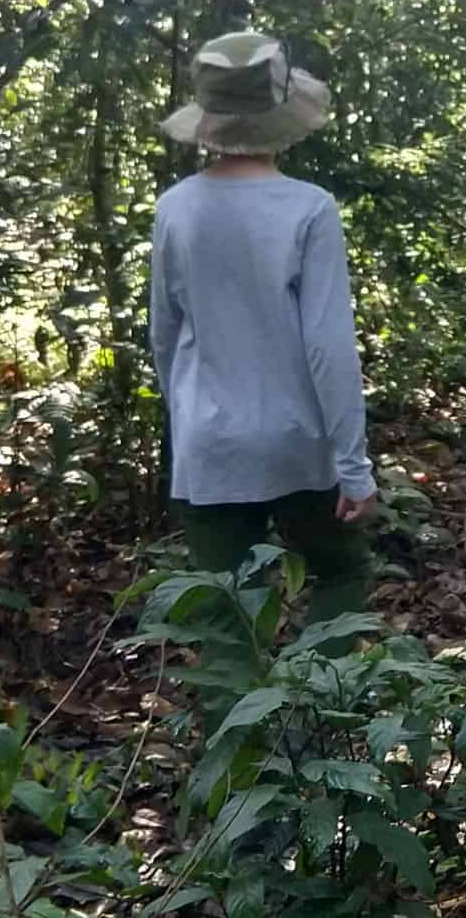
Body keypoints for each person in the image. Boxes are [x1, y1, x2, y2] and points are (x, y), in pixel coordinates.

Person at [148, 31, 375, 636]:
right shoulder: (308, 208)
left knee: (225, 614)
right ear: (282, 116)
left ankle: (244, 701)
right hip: (298, 440)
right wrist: (353, 465)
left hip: (209, 443)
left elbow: (164, 334)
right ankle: (313, 694)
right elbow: (328, 345)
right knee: (342, 575)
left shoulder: (176, 208)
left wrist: (187, 420)